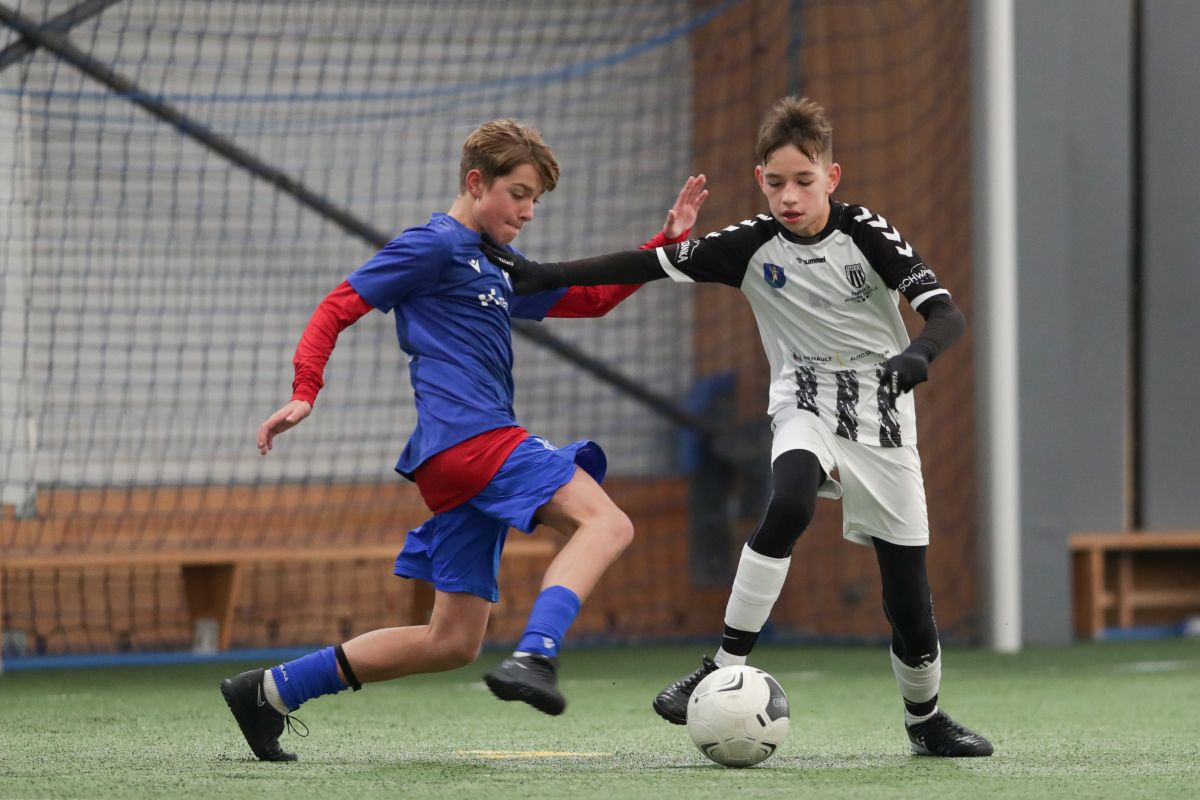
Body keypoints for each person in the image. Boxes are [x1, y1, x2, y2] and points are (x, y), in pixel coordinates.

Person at [482, 97, 993, 758]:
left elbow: (946, 313)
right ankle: (721, 665)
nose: (789, 196)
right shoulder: (748, 245)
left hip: (883, 421)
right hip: (804, 403)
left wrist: (918, 355)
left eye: (804, 180)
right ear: (760, 180)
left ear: (831, 177)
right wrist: (540, 275)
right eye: (776, 183)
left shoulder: (867, 233)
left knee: (909, 604)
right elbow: (642, 266)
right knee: (790, 499)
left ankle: (925, 721)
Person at [220, 118, 709, 762]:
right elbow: (336, 307)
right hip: (475, 441)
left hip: (454, 461)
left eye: (536, 200)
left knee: (451, 642)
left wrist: (663, 246)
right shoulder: (433, 245)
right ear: (476, 183)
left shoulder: (495, 263)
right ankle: (537, 654)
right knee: (608, 524)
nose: (528, 211)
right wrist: (304, 390)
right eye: (519, 194)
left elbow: (590, 300)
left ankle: (270, 692)